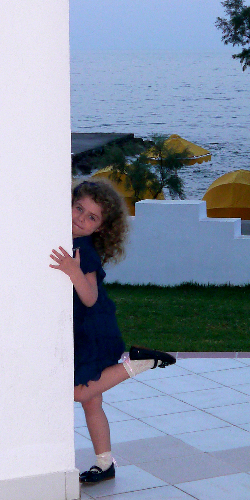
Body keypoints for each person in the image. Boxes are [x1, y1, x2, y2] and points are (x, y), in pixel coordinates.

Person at [49, 180, 176, 485]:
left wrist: (73, 272)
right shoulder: (70, 241)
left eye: (91, 217)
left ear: (101, 228)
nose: (81, 218)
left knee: (78, 392)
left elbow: (90, 297)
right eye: (79, 208)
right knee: (93, 402)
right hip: (86, 329)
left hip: (92, 331)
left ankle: (141, 363)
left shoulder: (83, 250)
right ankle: (105, 464)